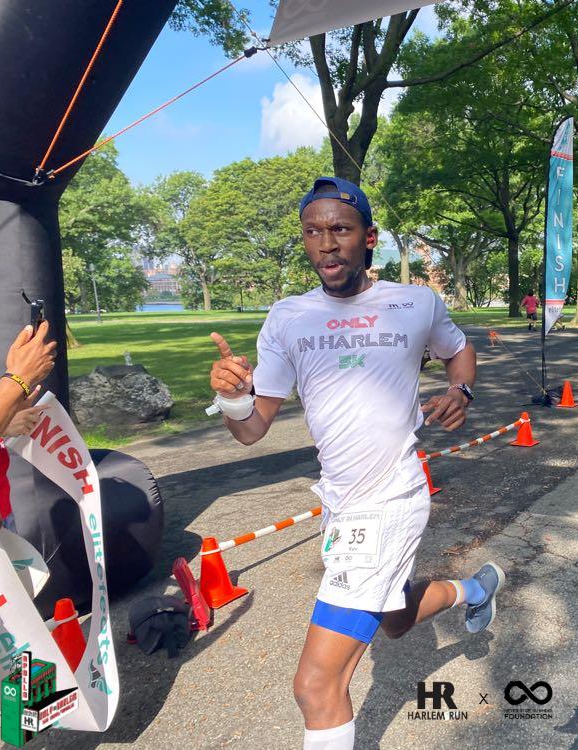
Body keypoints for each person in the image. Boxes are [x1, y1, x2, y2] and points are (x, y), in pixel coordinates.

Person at [207, 177, 504, 750]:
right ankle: (475, 589)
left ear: (368, 238)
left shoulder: (414, 302)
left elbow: (459, 348)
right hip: (340, 504)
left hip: (389, 500)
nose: (326, 243)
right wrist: (234, 397)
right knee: (394, 621)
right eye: (312, 231)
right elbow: (250, 430)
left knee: (317, 685)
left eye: (340, 229)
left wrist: (460, 392)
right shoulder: (288, 317)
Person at [0, 320, 55, 725]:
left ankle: (19, 712)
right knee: (3, 628)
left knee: (8, 627)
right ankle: (15, 710)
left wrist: (8, 408)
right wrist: (17, 380)